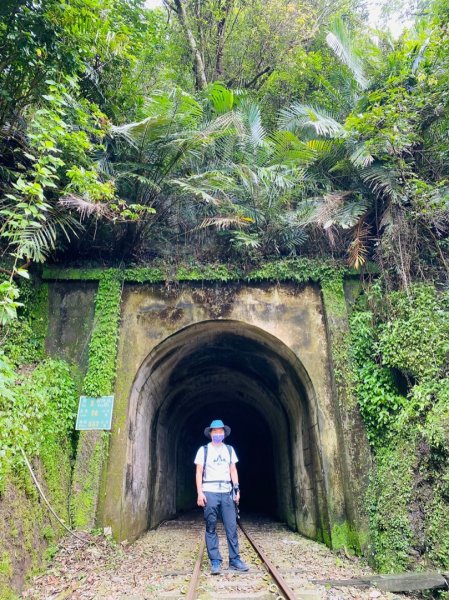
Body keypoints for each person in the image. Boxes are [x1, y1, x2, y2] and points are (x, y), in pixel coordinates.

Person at [194, 419, 250, 575]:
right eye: (215, 431)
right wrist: (200, 492)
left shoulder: (230, 450)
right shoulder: (203, 450)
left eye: (220, 431)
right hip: (209, 490)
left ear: (224, 434)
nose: (218, 434)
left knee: (231, 526)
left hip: (226, 491)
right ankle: (215, 561)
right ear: (210, 433)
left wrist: (236, 488)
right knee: (211, 526)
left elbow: (233, 470)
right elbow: (199, 472)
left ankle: (235, 560)